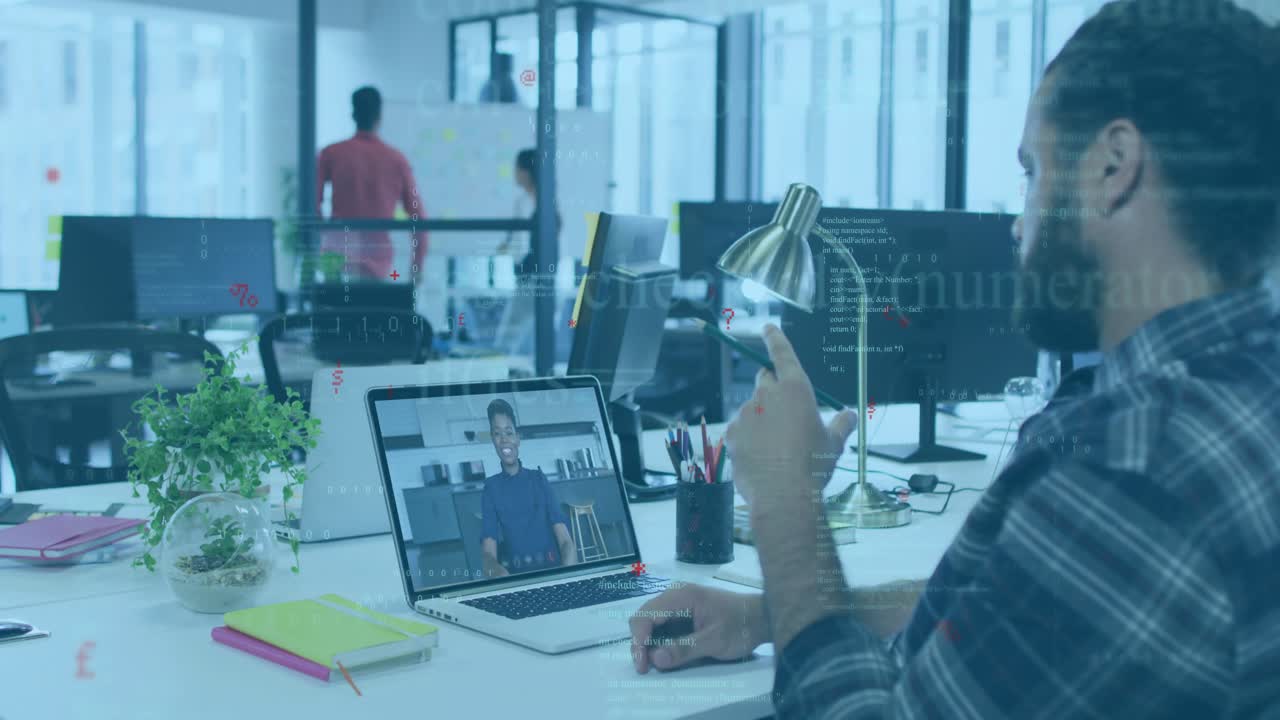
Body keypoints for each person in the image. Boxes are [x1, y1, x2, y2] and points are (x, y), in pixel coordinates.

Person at [629, 1, 1280, 717]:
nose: (1018, 219)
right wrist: (765, 615)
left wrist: (785, 501)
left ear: (1113, 166)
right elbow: (1004, 609)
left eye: (1033, 171)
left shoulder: (1134, 467)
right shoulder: (1238, 393)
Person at [316, 86, 428, 283]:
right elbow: (418, 217)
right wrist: (416, 269)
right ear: (379, 116)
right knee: (372, 312)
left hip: (336, 255)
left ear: (352, 114)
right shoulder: (395, 159)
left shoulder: (331, 154)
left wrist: (324, 236)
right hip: (376, 261)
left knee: (333, 313)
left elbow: (311, 204)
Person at [480, 399, 577, 577]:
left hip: (554, 573)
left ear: (517, 439)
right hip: (517, 578)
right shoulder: (491, 488)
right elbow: (488, 554)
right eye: (497, 434)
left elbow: (565, 542)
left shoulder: (538, 479)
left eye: (509, 432)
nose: (503, 440)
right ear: (493, 440)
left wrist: (567, 577)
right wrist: (500, 575)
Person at [494, 149, 562, 356]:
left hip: (532, 281)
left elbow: (522, 245)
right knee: (533, 345)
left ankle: (498, 381)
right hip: (542, 280)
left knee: (506, 341)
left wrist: (510, 250)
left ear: (525, 172)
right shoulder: (547, 201)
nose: (514, 173)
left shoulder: (530, 203)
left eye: (516, 169)